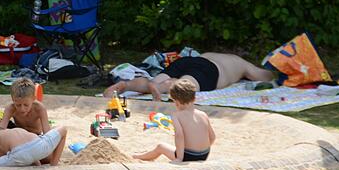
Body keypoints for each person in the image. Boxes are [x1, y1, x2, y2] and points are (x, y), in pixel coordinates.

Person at [103, 52, 275, 101]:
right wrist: (275, 73)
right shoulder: (241, 64)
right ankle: (162, 87)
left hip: (189, 60)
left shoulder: (214, 54)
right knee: (184, 85)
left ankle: (128, 85)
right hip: (210, 71)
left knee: (157, 80)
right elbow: (263, 76)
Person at [132, 79, 216, 162]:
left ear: (176, 102)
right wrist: (202, 149)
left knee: (160, 147)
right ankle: (143, 156)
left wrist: (179, 158)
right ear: (194, 98)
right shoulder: (203, 114)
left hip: (189, 156)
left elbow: (179, 135)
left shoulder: (176, 115)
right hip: (204, 155)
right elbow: (212, 137)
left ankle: (140, 157)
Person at [0, 77, 50, 165]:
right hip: (15, 135)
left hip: (33, 138)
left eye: (26, 105)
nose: (22, 109)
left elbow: (48, 135)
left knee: (48, 157)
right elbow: (0, 131)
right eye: (18, 105)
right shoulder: (10, 108)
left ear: (33, 99)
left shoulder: (39, 108)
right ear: (13, 99)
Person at [0, 126, 68, 167]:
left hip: (19, 154)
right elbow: (32, 153)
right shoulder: (17, 130)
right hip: (40, 146)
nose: (1, 155)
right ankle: (54, 165)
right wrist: (37, 164)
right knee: (63, 129)